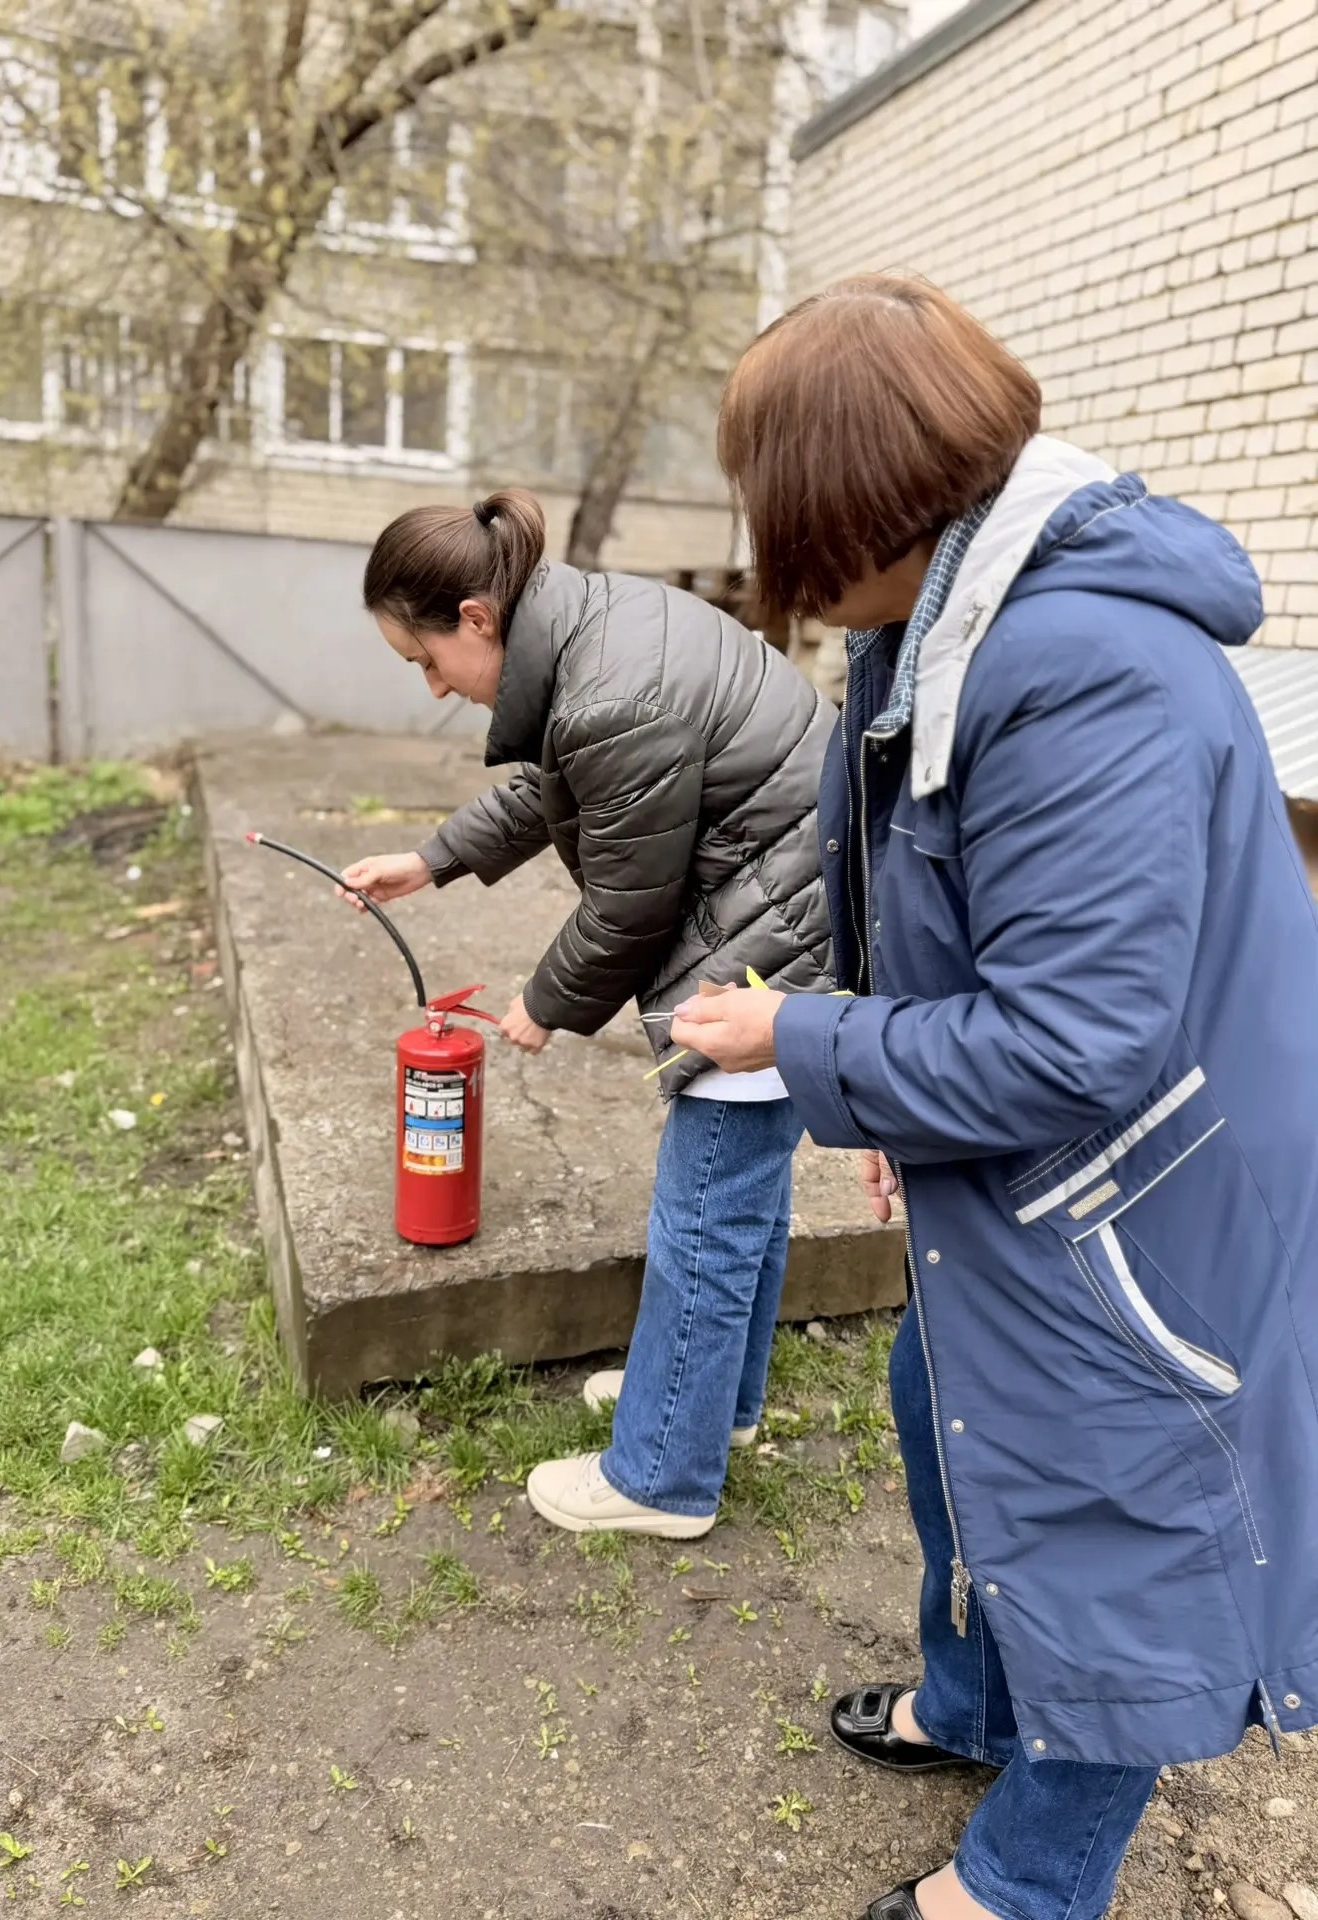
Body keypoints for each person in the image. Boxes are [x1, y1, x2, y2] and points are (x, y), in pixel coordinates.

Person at [672, 275, 1318, 1920]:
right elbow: (946, 910)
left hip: (1140, 1190)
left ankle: (1027, 1884)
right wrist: (903, 1100)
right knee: (941, 1405)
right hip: (1046, 1170)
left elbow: (1077, 1040)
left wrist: (806, 1042)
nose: (774, 548)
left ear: (859, 499)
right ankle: (973, 1701)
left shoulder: (1077, 665)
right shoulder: (942, 621)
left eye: (778, 505)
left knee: (1121, 1516)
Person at [342, 488, 835, 1538]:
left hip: (773, 937)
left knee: (704, 1213)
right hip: (792, 910)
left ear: (477, 617)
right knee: (741, 1201)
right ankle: (715, 1407)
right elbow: (556, 787)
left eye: (427, 659)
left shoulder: (608, 692)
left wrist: (544, 1001)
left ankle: (661, 1474)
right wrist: (430, 861)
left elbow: (629, 901)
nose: (434, 686)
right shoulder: (591, 633)